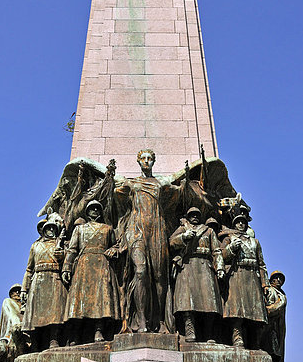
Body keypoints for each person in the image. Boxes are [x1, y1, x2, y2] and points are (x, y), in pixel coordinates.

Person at [112, 149, 187, 333]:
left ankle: (160, 320)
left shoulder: (161, 184)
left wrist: (182, 184)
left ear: (154, 162)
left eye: (149, 159)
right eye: (143, 159)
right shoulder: (132, 183)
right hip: (136, 229)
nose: (146, 162)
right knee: (140, 271)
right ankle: (141, 320)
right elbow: (114, 198)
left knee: (160, 277)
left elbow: (177, 198)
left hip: (157, 230)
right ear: (138, 162)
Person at [62, 200, 121, 344]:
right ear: (87, 212)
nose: (95, 210)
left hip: (102, 265)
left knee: (100, 299)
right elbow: (72, 250)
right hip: (84, 265)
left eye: (97, 208)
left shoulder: (107, 229)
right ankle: (75, 334)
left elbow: (115, 246)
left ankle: (98, 330)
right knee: (80, 300)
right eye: (92, 208)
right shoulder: (79, 230)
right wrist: (66, 267)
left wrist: (115, 250)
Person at [170, 208, 224, 342]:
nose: (194, 217)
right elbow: (171, 242)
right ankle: (190, 332)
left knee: (209, 303)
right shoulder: (183, 228)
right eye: (191, 215)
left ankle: (209, 334)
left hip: (205, 266)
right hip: (188, 265)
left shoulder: (208, 231)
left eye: (197, 215)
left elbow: (216, 251)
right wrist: (183, 237)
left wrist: (220, 268)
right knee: (188, 303)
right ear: (188, 217)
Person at [221, 214, 270, 349]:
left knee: (256, 312)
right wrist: (231, 248)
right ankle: (237, 339)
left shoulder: (255, 242)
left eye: (243, 222)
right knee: (237, 310)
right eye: (238, 222)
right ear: (234, 225)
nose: (241, 224)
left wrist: (264, 283)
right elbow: (222, 256)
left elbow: (262, 264)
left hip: (253, 277)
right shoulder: (229, 238)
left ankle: (254, 342)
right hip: (237, 275)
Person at [21, 218, 67, 350]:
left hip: (54, 278)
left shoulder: (61, 245)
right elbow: (29, 269)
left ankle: (54, 339)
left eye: (53, 228)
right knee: (35, 315)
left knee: (55, 313)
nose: (51, 230)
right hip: (38, 280)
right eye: (48, 228)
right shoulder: (35, 246)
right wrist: (24, 289)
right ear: (44, 231)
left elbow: (67, 262)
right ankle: (35, 343)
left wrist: (61, 255)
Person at [263, 270, 287, 362]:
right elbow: (267, 308)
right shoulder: (269, 290)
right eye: (276, 278)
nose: (278, 280)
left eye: (280, 279)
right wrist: (279, 305)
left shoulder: (282, 294)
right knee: (272, 351)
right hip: (270, 326)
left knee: (279, 352)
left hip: (279, 327)